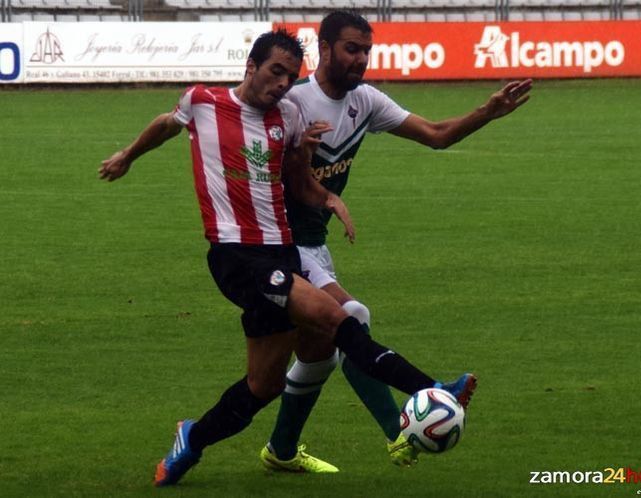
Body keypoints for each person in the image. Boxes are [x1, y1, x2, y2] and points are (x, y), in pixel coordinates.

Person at [98, 29, 477, 487]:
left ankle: (192, 438)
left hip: (281, 252)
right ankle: (432, 388)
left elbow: (298, 182)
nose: (281, 84)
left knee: (263, 385)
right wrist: (128, 155)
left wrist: (328, 198)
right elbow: (165, 124)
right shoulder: (202, 102)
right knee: (337, 318)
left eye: (289, 76)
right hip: (237, 256)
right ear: (250, 67)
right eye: (275, 72)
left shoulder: (288, 116)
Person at [260, 11, 532, 472]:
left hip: (313, 245)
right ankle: (400, 429)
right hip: (278, 246)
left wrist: (488, 112)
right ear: (324, 49)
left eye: (366, 50)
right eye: (351, 48)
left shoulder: (364, 101)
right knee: (349, 318)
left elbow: (436, 135)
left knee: (319, 354)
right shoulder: (294, 103)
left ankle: (281, 452)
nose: (361, 59)